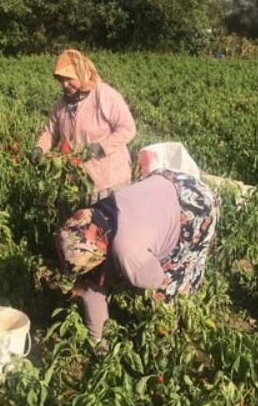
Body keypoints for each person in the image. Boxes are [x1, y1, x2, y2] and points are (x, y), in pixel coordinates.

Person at [56, 169, 218, 343]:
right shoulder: (95, 219)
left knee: (170, 286)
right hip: (171, 181)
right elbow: (91, 287)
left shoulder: (127, 250)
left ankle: (174, 335)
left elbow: (155, 281)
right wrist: (97, 342)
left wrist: (122, 280)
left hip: (195, 207)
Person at [31, 50, 136, 203]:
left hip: (108, 182)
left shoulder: (103, 94)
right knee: (77, 224)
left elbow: (128, 128)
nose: (65, 85)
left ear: (81, 73)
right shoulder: (62, 104)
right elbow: (50, 132)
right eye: (61, 80)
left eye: (69, 79)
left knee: (103, 224)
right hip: (76, 182)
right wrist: (40, 148)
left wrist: (101, 147)